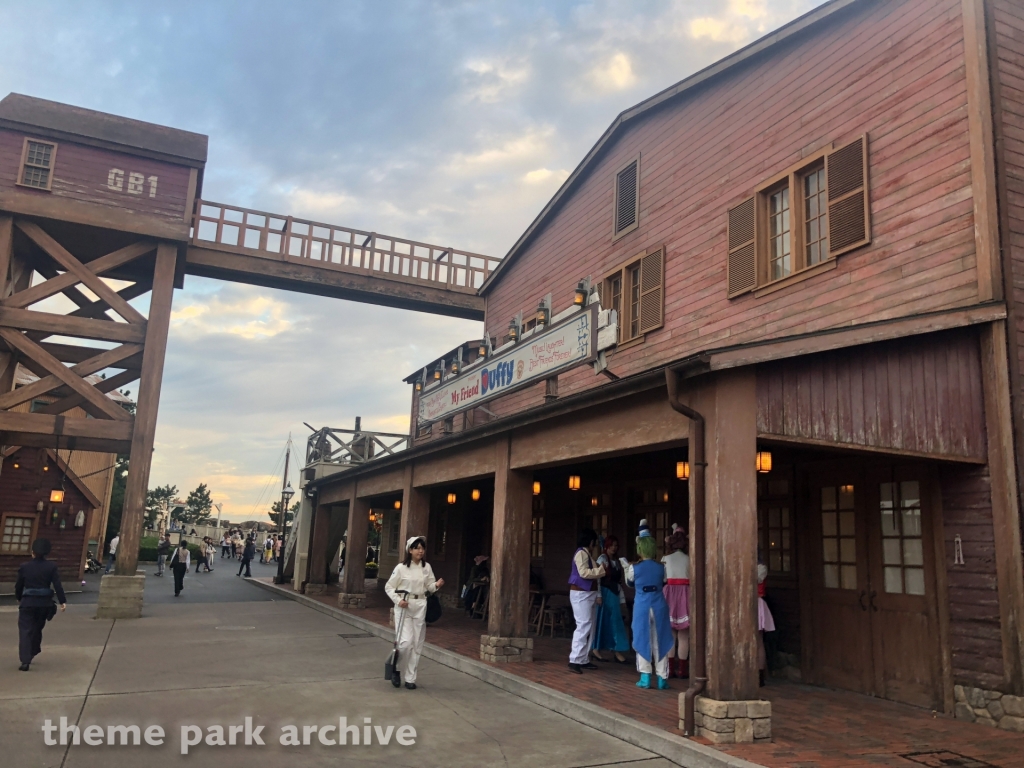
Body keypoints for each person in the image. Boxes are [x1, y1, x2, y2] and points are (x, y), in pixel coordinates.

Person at [384, 536, 444, 690]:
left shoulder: (427, 567)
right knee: (405, 643)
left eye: (422, 548)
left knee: (417, 643)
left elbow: (429, 587)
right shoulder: (400, 568)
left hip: (421, 605)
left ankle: (410, 678)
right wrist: (398, 600)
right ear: (410, 550)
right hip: (404, 606)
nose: (420, 551)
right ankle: (395, 668)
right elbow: (389, 586)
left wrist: (436, 585)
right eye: (417, 548)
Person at [623, 520, 673, 689]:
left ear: (640, 549)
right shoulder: (661, 567)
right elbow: (664, 582)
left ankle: (645, 677)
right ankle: (662, 678)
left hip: (642, 606)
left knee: (642, 638)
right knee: (661, 639)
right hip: (659, 605)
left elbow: (630, 583)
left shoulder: (634, 568)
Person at [15, 538, 66, 671]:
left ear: (33, 552)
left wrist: (18, 597)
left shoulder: (25, 567)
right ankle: (33, 651)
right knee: (37, 628)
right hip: (44, 603)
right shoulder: (51, 566)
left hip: (28, 602)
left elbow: (19, 585)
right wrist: (62, 601)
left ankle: (25, 660)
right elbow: (57, 584)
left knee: (25, 630)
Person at [567, 528, 605, 674]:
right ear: (590, 542)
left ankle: (583, 658)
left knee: (590, 626)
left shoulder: (586, 553)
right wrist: (600, 570)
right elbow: (583, 572)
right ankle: (575, 659)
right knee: (583, 625)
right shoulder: (581, 553)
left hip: (588, 593)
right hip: (580, 594)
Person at [591, 535, 629, 663]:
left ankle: (616, 649)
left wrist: (622, 598)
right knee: (602, 621)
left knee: (616, 622)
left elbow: (618, 582)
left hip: (614, 594)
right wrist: (599, 595)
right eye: (611, 545)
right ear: (607, 546)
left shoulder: (617, 561)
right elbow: (598, 578)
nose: (614, 548)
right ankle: (596, 649)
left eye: (616, 546)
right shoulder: (602, 559)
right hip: (605, 593)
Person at [662, 525, 691, 679]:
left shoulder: (665, 559)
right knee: (684, 635)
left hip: (669, 594)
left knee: (671, 633)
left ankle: (670, 668)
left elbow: (664, 579)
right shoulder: (690, 560)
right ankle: (682, 670)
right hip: (686, 594)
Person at [757, 557, 776, 687]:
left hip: (755, 602)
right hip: (757, 603)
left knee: (757, 640)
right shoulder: (761, 568)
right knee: (758, 641)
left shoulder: (759, 568)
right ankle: (759, 675)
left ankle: (758, 675)